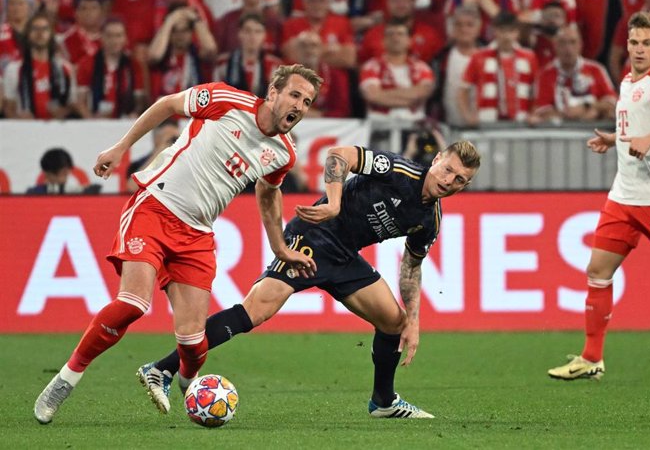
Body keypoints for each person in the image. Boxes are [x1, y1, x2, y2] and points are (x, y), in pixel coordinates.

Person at [33, 64, 323, 424]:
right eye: (295, 94)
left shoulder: (284, 153)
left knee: (194, 344)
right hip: (155, 207)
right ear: (274, 92)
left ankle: (178, 380)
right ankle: (66, 379)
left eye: (308, 101)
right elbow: (168, 104)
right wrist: (121, 147)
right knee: (133, 303)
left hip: (197, 234)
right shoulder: (226, 100)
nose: (300, 105)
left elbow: (268, 190)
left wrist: (279, 247)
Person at [137, 140, 481, 418]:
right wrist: (333, 202)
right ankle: (162, 369)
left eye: (459, 180)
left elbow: (411, 266)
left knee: (394, 321)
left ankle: (384, 402)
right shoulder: (399, 171)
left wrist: (415, 322)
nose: (449, 180)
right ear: (436, 160)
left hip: (346, 256)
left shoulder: (430, 219)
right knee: (255, 311)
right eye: (448, 169)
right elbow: (339, 155)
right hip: (314, 237)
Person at [548, 11, 650, 381]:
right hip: (622, 197)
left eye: (646, 43)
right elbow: (637, 126)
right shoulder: (628, 80)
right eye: (633, 42)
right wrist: (616, 139)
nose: (639, 50)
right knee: (597, 271)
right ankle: (591, 358)